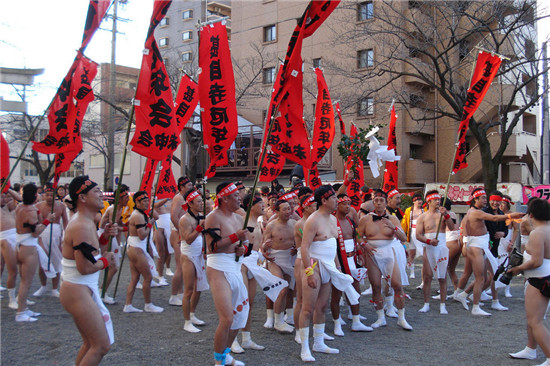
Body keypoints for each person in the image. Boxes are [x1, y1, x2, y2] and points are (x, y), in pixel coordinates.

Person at [299, 185, 360, 362]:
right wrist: (309, 272)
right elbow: (304, 247)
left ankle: (318, 342)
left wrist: (337, 267)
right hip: (315, 265)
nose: (337, 201)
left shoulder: (333, 220)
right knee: (308, 308)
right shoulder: (313, 220)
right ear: (324, 200)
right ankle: (304, 347)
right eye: (333, 198)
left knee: (322, 306)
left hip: (329, 266)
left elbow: (332, 246)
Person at [59, 176, 116, 365]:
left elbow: (90, 254)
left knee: (90, 343)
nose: (101, 195)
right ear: (82, 198)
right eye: (96, 191)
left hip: (79, 288)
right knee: (100, 345)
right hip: (77, 289)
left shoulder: (86, 221)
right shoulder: (82, 225)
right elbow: (84, 267)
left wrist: (104, 237)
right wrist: (106, 262)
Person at [234, 194, 289, 351]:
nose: (264, 206)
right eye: (260, 203)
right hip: (242, 265)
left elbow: (255, 245)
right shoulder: (242, 220)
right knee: (239, 303)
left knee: (249, 304)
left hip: (254, 262)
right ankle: (232, 340)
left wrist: (263, 250)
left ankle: (246, 338)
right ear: (251, 206)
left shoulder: (258, 222)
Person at [204, 182, 249, 366]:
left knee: (240, 316)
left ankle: (226, 354)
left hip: (235, 266)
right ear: (224, 198)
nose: (239, 199)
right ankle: (218, 362)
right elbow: (212, 247)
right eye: (236, 196)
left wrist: (242, 248)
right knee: (227, 318)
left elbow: (245, 245)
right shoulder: (213, 218)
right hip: (218, 267)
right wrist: (235, 237)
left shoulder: (239, 218)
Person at [461, 188, 523, 316]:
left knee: (492, 274)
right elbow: (493, 219)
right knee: (481, 277)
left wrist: (503, 232)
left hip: (487, 246)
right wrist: (465, 242)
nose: (488, 201)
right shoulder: (477, 212)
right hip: (479, 246)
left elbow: (503, 225)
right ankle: (475, 305)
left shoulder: (482, 211)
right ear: (475, 199)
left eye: (486, 198)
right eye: (485, 198)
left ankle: (466, 295)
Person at [357, 189, 412, 331]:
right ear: (372, 202)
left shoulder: (392, 219)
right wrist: (365, 245)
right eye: (376, 201)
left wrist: (393, 228)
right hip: (372, 252)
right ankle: (380, 317)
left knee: (397, 285)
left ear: (386, 202)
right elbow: (357, 236)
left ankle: (401, 318)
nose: (379, 203)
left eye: (382, 201)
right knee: (375, 286)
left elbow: (403, 238)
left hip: (389, 251)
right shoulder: (365, 219)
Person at [507, 198, 550, 366]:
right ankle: (530, 348)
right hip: (543, 275)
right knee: (533, 318)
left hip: (539, 277)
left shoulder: (538, 233)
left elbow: (536, 261)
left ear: (531, 214)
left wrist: (516, 269)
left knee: (535, 321)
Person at [331, 194, 371, 335]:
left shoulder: (350, 220)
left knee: (356, 289)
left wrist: (361, 251)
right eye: (344, 204)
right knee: (336, 293)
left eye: (349, 204)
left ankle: (355, 320)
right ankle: (336, 323)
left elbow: (357, 236)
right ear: (337, 205)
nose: (348, 207)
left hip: (352, 258)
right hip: (338, 260)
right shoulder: (331, 221)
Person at [14, 183, 55, 322]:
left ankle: (24, 308)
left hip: (19, 245)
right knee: (26, 282)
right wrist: (47, 221)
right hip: (28, 247)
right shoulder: (30, 211)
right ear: (34, 195)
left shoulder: (19, 207)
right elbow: (35, 232)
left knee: (24, 281)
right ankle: (20, 313)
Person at [123, 191, 164, 313]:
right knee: (148, 277)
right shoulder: (138, 216)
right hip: (136, 247)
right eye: (144, 201)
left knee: (135, 278)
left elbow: (156, 216)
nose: (147, 203)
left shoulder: (141, 213)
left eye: (148, 201)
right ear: (137, 202)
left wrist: (150, 209)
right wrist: (150, 225)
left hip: (135, 247)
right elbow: (142, 235)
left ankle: (128, 305)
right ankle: (148, 304)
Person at [415, 190, 454, 314]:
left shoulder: (443, 214)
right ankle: (426, 303)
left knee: (442, 277)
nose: (438, 201)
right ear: (429, 201)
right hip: (429, 246)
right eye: (435, 200)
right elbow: (418, 235)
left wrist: (446, 215)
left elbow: (452, 227)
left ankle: (443, 304)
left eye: (439, 199)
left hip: (441, 245)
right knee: (427, 276)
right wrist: (428, 241)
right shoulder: (422, 216)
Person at [262, 199, 297, 333]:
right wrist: (265, 248)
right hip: (274, 259)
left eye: (289, 208)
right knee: (281, 288)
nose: (288, 211)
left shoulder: (295, 223)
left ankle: (287, 316)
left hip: (289, 258)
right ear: (276, 211)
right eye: (285, 209)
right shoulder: (271, 226)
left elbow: (300, 241)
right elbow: (263, 245)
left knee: (289, 290)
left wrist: (296, 248)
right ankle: (277, 320)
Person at [179, 189, 209, 333]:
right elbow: (188, 239)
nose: (201, 203)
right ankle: (187, 322)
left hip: (199, 254)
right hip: (188, 255)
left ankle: (192, 314)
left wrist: (205, 250)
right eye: (198, 201)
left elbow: (202, 237)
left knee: (199, 288)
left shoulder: (200, 216)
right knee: (189, 289)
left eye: (201, 201)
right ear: (190, 204)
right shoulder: (184, 219)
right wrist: (199, 227)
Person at [33, 183, 68, 298]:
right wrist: (39, 240)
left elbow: (65, 223)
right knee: (43, 261)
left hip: (56, 234)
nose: (49, 197)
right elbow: (36, 224)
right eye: (47, 195)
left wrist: (64, 239)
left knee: (56, 261)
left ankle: (54, 288)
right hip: (43, 233)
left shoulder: (61, 206)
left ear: (55, 195)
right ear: (43, 195)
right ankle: (43, 286)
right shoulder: (38, 206)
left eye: (51, 195)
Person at [97, 185, 130, 304]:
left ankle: (102, 291)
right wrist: (126, 228)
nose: (127, 199)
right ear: (119, 199)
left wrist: (127, 225)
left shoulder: (121, 209)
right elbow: (113, 227)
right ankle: (101, 292)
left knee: (113, 266)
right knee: (113, 266)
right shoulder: (113, 209)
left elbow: (119, 225)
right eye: (125, 197)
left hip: (112, 237)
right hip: (106, 236)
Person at [168, 176, 195, 306]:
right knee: (180, 266)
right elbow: (173, 216)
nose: (191, 187)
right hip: (176, 232)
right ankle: (173, 295)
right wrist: (181, 233)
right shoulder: (178, 198)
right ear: (182, 187)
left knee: (183, 266)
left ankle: (179, 292)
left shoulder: (185, 198)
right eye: (189, 185)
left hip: (181, 232)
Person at [1, 188, 22, 309]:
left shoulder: (5, 207)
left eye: (5, 196)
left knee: (21, 268)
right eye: (2, 197)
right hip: (4, 238)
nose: (5, 199)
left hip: (15, 236)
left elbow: (19, 199)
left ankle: (20, 296)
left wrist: (7, 187)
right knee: (11, 270)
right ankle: (11, 299)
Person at [498, 194, 519, 298]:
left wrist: (512, 242)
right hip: (499, 238)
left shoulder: (511, 215)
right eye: (500, 203)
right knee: (497, 263)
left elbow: (516, 229)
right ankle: (495, 286)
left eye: (503, 203)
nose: (501, 205)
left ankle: (507, 288)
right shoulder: (497, 214)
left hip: (508, 238)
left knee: (507, 264)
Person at [401, 193, 424, 279]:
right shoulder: (408, 210)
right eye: (417, 200)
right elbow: (404, 223)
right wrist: (402, 232)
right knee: (412, 253)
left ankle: (427, 270)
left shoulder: (424, 209)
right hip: (412, 232)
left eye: (420, 200)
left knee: (424, 253)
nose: (419, 201)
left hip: (422, 232)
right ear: (413, 201)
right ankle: (412, 272)